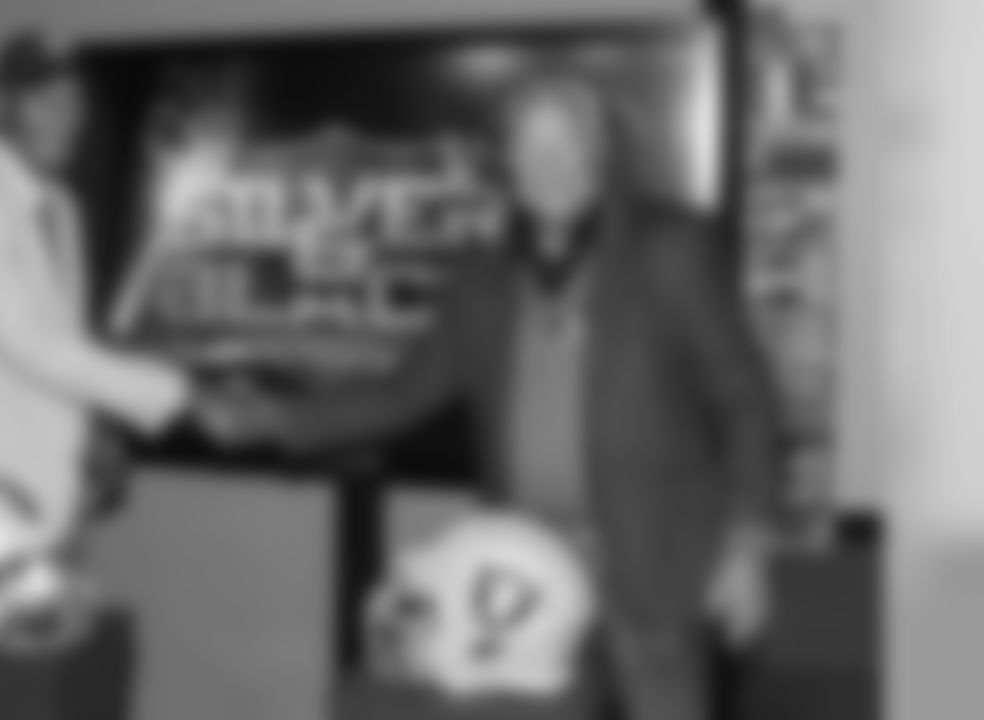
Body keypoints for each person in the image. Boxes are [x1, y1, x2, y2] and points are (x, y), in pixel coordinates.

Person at [229, 75, 787, 720]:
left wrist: (747, 548)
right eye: (530, 147)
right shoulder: (480, 277)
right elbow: (401, 393)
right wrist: (270, 419)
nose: (550, 164)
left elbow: (745, 400)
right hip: (524, 568)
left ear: (599, 152)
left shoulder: (672, 249)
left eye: (568, 143)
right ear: (506, 162)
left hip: (656, 563)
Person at [0, 33, 237, 556]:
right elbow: (30, 345)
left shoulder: (61, 210)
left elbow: (63, 343)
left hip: (42, 498)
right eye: (43, 100)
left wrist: (90, 427)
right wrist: (182, 398)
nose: (65, 117)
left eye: (74, 100)